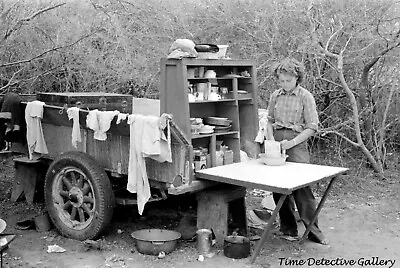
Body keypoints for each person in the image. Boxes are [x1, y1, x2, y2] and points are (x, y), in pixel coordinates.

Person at [266, 57, 328, 245]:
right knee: (278, 187)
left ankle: (314, 232)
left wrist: (292, 142)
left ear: (297, 78)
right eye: (281, 80)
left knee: (302, 188)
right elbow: (268, 119)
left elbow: (312, 127)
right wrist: (270, 139)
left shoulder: (305, 96)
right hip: (276, 142)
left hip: (296, 142)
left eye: (288, 80)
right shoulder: (275, 95)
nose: (284, 84)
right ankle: (288, 228)